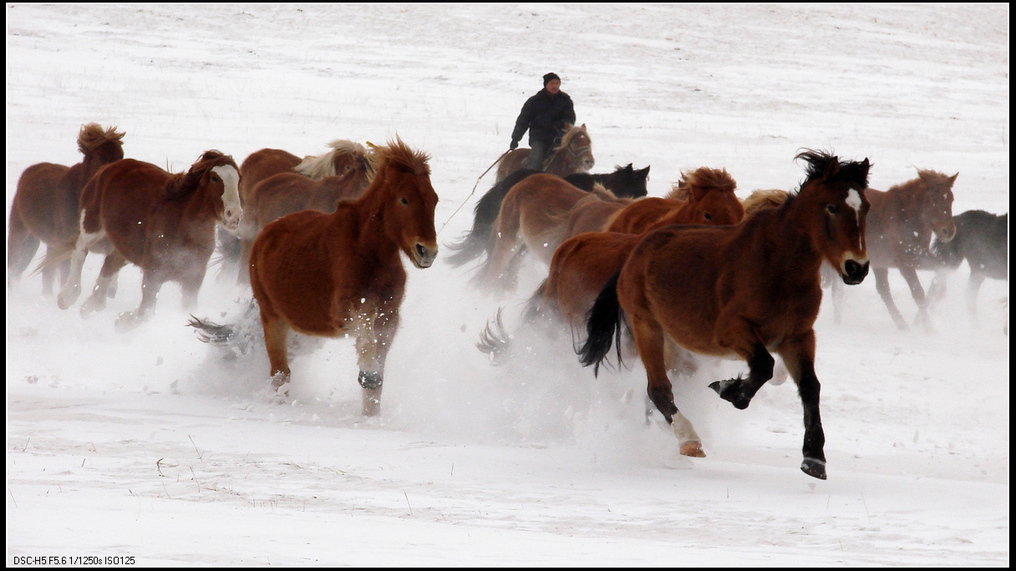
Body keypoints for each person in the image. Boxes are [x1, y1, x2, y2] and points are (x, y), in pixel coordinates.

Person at [509, 72, 576, 171]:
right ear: (546, 85)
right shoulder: (534, 101)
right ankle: (532, 179)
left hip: (559, 137)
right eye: (552, 83)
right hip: (539, 137)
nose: (555, 86)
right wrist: (516, 138)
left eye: (557, 83)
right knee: (536, 161)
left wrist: (558, 125)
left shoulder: (565, 100)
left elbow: (570, 119)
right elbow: (523, 121)